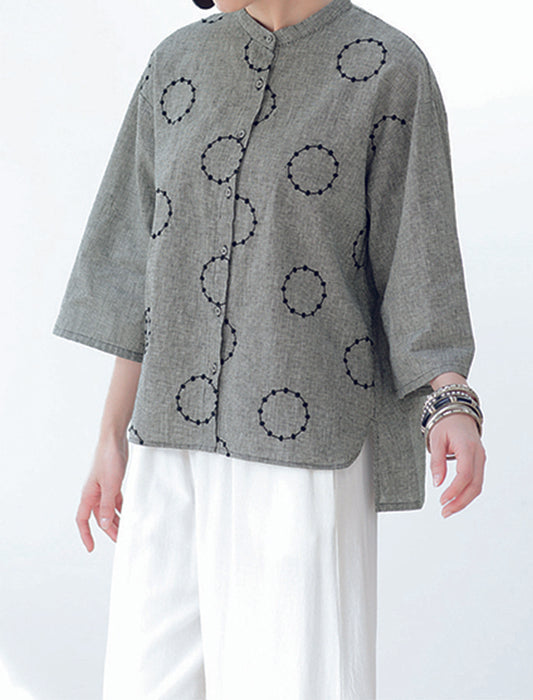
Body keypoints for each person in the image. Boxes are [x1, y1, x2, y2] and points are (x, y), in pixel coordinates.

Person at [52, 0, 487, 698]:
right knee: (145, 682)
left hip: (304, 443)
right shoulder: (175, 64)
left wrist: (450, 399)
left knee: (295, 682)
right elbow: (139, 262)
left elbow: (417, 253)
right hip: (167, 442)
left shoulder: (387, 68)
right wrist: (109, 437)